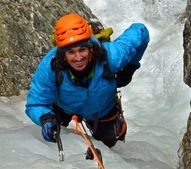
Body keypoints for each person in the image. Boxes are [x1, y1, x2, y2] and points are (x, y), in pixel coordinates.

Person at [25, 13, 150, 148]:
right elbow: (36, 104)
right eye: (71, 52)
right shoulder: (50, 68)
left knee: (114, 149)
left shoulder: (111, 56)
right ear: (63, 55)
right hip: (64, 108)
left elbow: (140, 31)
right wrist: (45, 118)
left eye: (82, 50)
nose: (78, 58)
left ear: (91, 49)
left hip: (103, 109)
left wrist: (130, 68)